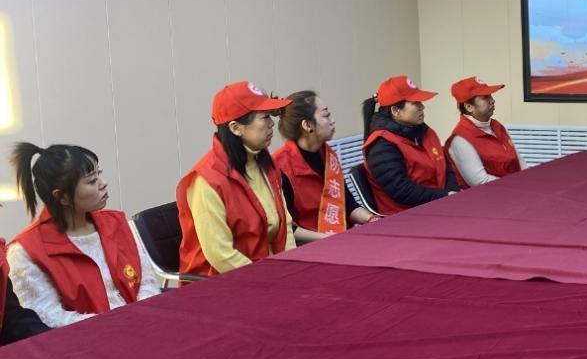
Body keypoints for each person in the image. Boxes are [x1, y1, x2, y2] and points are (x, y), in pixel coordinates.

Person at [6, 143, 161, 328]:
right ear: (62, 197)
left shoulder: (116, 222)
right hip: (87, 337)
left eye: (99, 174)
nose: (103, 183)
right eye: (92, 181)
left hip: (143, 324)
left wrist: (141, 315)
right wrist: (115, 324)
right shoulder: (25, 252)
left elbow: (147, 281)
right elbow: (49, 316)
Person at [176, 81, 296, 275]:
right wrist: (267, 280)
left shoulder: (266, 163)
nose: (271, 124)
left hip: (268, 272)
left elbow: (285, 225)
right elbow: (220, 254)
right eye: (265, 117)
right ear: (236, 128)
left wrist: (292, 267)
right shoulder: (207, 180)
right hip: (224, 281)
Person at [274, 91, 376, 241]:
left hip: (339, 236)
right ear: (307, 125)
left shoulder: (328, 154)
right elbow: (287, 229)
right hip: (310, 243)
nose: (332, 121)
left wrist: (371, 219)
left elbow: (349, 205)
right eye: (326, 115)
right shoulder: (280, 166)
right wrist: (327, 238)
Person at [362, 75, 459, 213]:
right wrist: (444, 196)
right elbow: (401, 190)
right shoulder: (381, 145)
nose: (422, 107)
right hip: (407, 216)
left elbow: (445, 166)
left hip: (439, 205)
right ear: (396, 111)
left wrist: (453, 192)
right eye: (415, 103)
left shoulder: (425, 132)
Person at [445, 77, 522, 188]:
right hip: (488, 195)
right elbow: (480, 181)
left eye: (490, 96)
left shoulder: (497, 126)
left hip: (514, 189)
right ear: (469, 107)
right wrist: (518, 185)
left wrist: (527, 179)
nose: (492, 101)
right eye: (485, 98)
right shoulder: (460, 140)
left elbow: (519, 160)